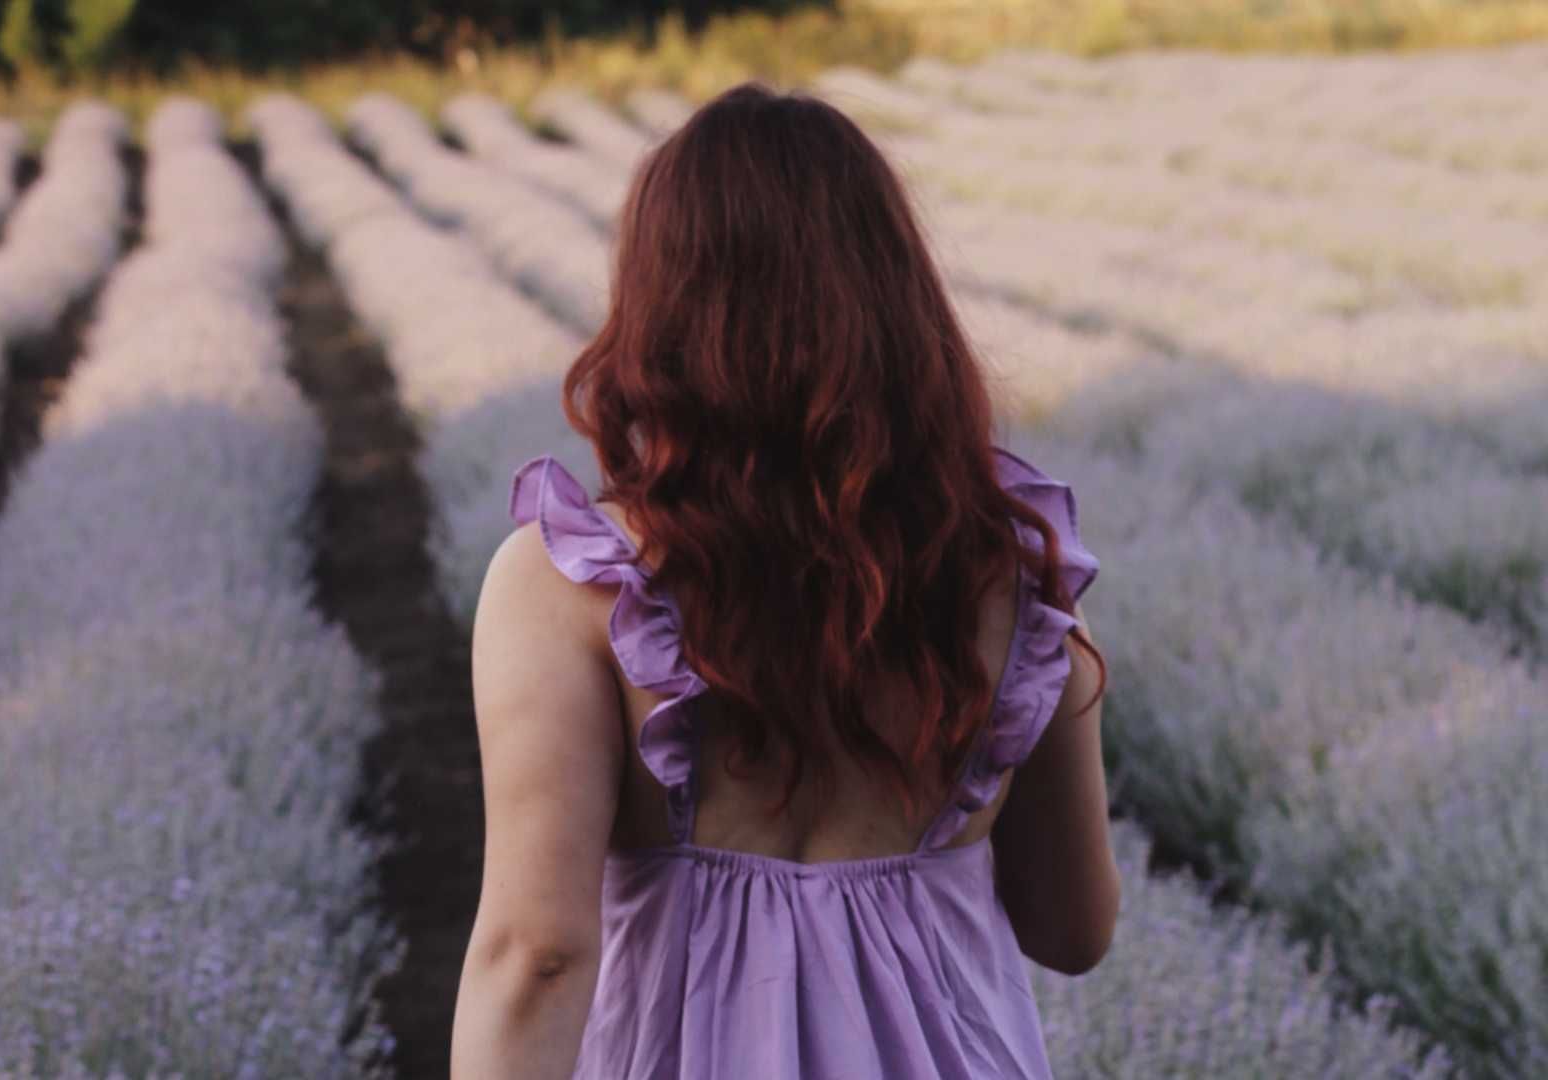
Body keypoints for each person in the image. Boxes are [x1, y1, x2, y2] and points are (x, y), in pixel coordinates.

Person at [449, 82, 1118, 1079]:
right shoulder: (1004, 579)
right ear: (898, 307)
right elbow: (1073, 930)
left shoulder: (568, 587)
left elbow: (534, 955)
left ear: (660, 311)